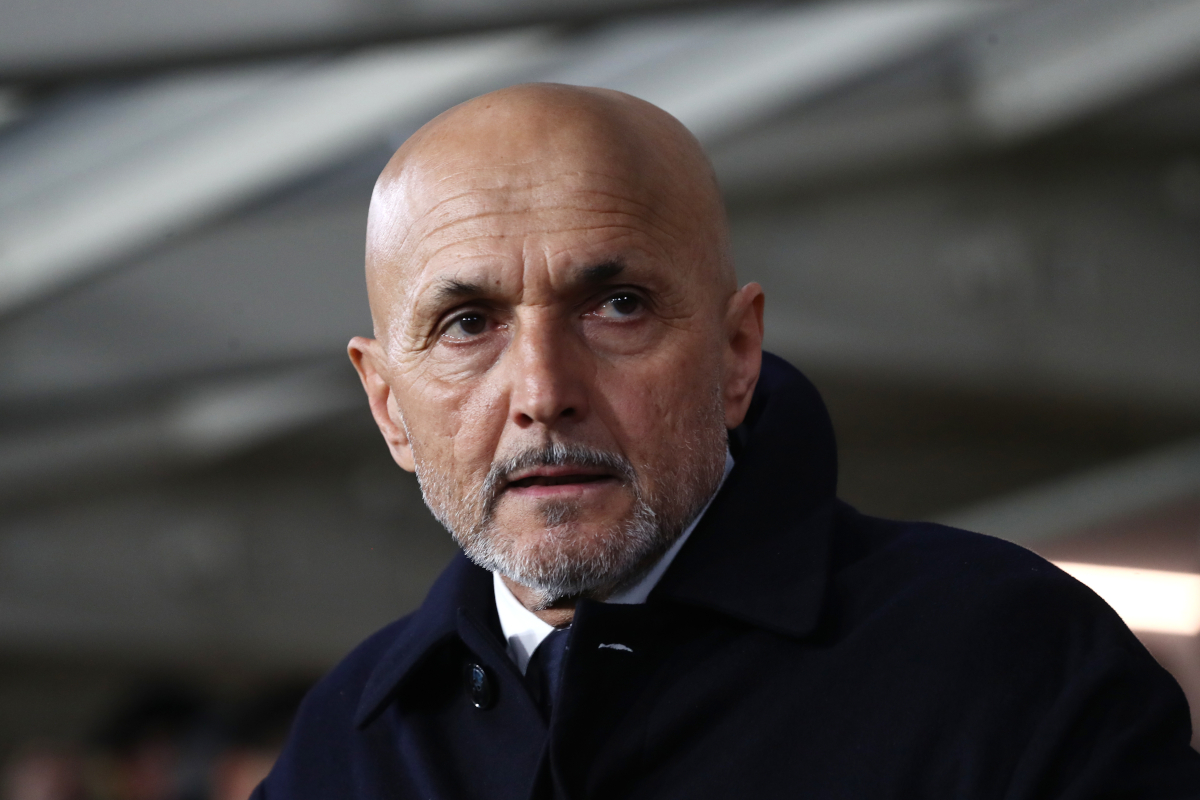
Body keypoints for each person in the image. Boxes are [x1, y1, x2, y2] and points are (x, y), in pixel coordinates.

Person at [255, 84, 1200, 798]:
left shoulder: (1008, 662)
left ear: (737, 353)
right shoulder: (343, 745)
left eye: (617, 307)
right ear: (387, 405)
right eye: (468, 325)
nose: (544, 394)